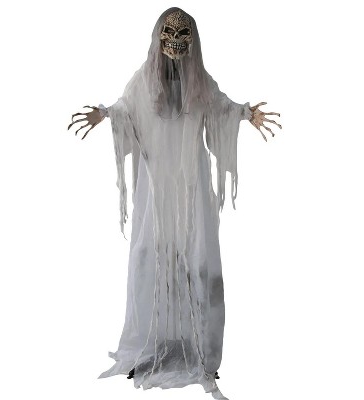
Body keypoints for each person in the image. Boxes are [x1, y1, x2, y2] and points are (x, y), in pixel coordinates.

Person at [68, 7, 281, 400]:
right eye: (170, 35)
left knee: (198, 260)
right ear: (159, 38)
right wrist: (105, 114)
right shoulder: (142, 82)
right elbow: (126, 109)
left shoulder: (201, 84)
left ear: (193, 42)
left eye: (185, 37)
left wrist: (246, 114)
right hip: (156, 188)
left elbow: (220, 107)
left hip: (191, 186)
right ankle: (148, 345)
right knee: (148, 256)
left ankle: (200, 350)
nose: (177, 44)